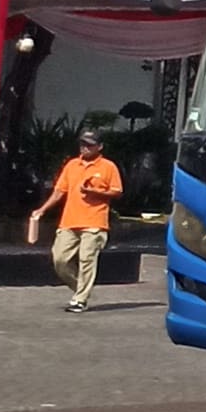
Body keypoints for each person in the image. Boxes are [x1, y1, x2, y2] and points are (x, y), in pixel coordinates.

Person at [26, 130, 127, 311]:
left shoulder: (108, 166)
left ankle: (80, 299)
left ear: (99, 146)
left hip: (95, 222)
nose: (85, 148)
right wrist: (42, 210)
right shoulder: (72, 165)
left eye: (89, 144)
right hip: (69, 221)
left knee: (87, 259)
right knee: (60, 259)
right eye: (82, 144)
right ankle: (80, 289)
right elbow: (59, 191)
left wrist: (95, 192)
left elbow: (117, 192)